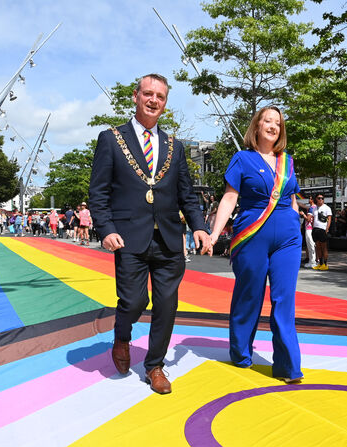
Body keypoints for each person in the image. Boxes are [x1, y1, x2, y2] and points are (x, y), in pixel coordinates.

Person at [89, 73, 211, 395]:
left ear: (165, 103)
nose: (154, 100)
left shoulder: (176, 146)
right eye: (148, 94)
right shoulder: (111, 139)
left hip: (170, 237)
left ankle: (155, 365)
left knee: (167, 304)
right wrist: (106, 229)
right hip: (129, 237)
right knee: (133, 300)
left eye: (160, 96)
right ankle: (121, 336)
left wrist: (199, 226)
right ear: (136, 96)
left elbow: (186, 193)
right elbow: (98, 192)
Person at [209, 105, 303, 384]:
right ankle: (240, 353)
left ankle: (288, 367)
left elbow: (293, 199)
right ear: (257, 126)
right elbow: (229, 198)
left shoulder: (288, 161)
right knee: (249, 296)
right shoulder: (242, 159)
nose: (273, 126)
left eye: (277, 122)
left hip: (288, 237)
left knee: (284, 299)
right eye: (267, 121)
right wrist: (214, 234)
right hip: (252, 234)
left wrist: (297, 226)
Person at [312, 194, 332, 270]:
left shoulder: (327, 208)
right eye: (319, 198)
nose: (321, 199)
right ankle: (320, 263)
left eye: (322, 198)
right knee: (318, 247)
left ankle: (325, 264)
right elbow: (314, 219)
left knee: (324, 247)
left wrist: (327, 228)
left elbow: (329, 219)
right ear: (316, 199)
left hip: (322, 229)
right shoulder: (314, 208)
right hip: (315, 229)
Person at [302, 196, 317, 268]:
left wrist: (303, 214)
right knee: (311, 245)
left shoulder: (311, 208)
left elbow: (308, 219)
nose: (309, 200)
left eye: (310, 198)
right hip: (312, 228)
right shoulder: (316, 207)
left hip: (309, 228)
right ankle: (312, 261)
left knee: (310, 245)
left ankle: (312, 261)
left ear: (312, 200)